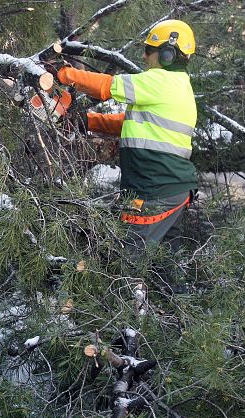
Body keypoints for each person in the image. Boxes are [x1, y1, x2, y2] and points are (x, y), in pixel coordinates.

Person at [56, 19, 198, 253]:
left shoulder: (163, 80)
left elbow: (107, 86)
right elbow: (132, 124)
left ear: (168, 54)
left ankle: (129, 289)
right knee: (163, 266)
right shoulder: (178, 86)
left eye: (149, 51)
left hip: (155, 190)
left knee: (126, 259)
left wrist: (63, 74)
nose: (144, 57)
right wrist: (88, 121)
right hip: (170, 188)